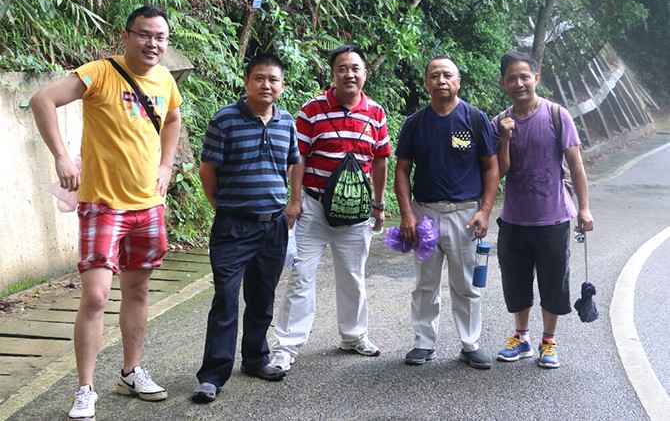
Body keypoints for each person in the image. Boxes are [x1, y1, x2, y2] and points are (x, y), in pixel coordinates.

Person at [30, 5, 182, 421]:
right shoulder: (99, 72)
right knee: (96, 296)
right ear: (126, 36)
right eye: (145, 34)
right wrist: (61, 156)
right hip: (102, 204)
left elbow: (172, 119)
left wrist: (166, 165)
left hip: (148, 205)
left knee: (138, 291)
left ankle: (131, 373)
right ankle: (85, 388)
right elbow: (42, 100)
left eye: (160, 37)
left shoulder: (165, 79)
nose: (153, 43)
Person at [269, 45, 392, 372]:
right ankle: (286, 347)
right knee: (301, 276)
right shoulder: (312, 110)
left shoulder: (376, 113)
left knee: (353, 277)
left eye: (355, 68)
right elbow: (299, 157)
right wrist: (294, 200)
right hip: (313, 207)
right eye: (342, 68)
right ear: (332, 73)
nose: (349, 74)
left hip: (356, 212)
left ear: (365, 73)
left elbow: (380, 161)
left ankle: (354, 336)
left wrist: (378, 204)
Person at [191, 53, 300, 403]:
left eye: (273, 79)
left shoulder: (287, 122)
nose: (266, 85)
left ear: (282, 85)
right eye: (259, 78)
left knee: (262, 297)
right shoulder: (224, 120)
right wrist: (221, 208)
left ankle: (255, 359)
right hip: (233, 227)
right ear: (247, 82)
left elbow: (293, 164)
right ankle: (212, 375)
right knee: (225, 299)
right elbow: (207, 171)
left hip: (273, 226)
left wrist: (292, 201)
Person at [394, 56, 499, 369]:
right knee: (425, 284)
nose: (441, 80)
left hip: (465, 215)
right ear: (426, 83)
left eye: (447, 75)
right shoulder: (415, 123)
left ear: (458, 82)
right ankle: (424, 343)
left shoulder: (475, 119)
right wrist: (407, 214)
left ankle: (470, 344)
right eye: (434, 75)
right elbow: (402, 170)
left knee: (466, 285)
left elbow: (491, 168)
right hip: (424, 214)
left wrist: (485, 211)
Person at [492, 51, 594, 368]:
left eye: (525, 76)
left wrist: (584, 209)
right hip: (514, 219)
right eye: (512, 78)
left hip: (553, 217)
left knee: (553, 282)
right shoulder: (500, 122)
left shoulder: (556, 115)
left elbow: (575, 164)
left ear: (536, 78)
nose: (519, 83)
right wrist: (505, 138)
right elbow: (499, 171)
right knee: (516, 282)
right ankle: (521, 337)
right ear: (503, 83)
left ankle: (548, 341)